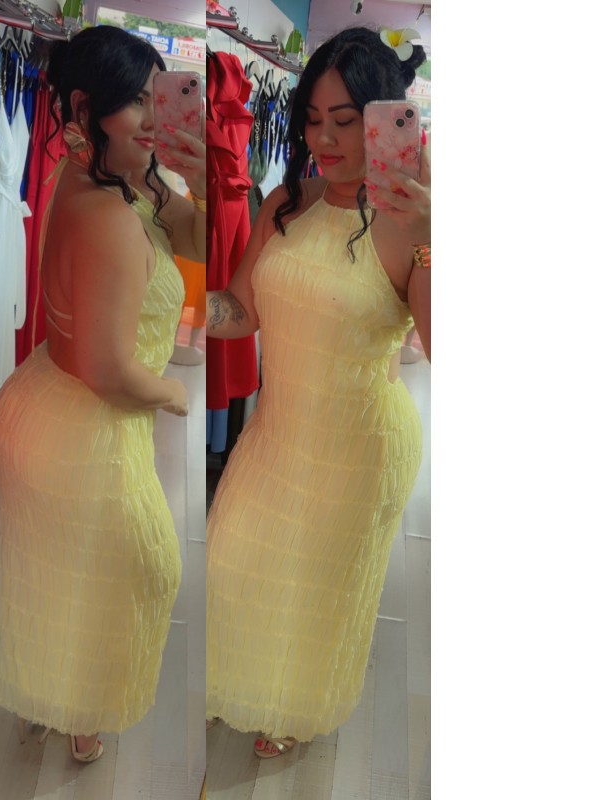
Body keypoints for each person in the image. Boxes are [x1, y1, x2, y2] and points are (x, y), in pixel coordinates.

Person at [204, 26, 430, 758]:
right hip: (278, 431)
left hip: (360, 445)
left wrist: (432, 234)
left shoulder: (411, 228)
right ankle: (243, 679)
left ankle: (294, 704)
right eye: (311, 119)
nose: (322, 140)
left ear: (385, 121)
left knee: (317, 587)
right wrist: (168, 294)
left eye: (344, 121)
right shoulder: (286, 201)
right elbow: (241, 311)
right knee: (236, 555)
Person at [0, 25, 206, 763]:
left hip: (44, 401)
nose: (154, 118)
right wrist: (173, 393)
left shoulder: (100, 179)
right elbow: (110, 371)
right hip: (88, 424)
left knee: (61, 572)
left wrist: (196, 181)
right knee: (145, 572)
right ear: (86, 108)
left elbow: (192, 237)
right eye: (136, 102)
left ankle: (57, 701)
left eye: (157, 98)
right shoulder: (112, 213)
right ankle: (80, 709)